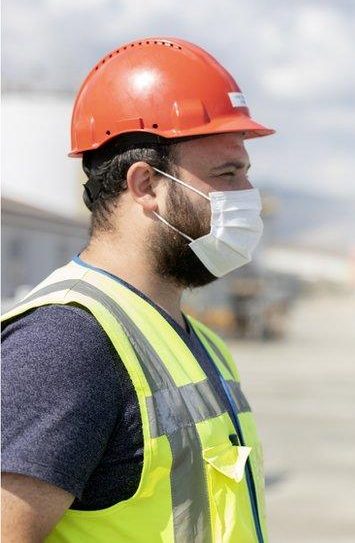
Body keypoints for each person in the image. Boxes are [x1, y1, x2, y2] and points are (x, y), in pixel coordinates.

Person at [1, 37, 274, 542]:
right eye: (227, 174)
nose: (247, 197)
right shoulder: (66, 345)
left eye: (246, 174)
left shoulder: (197, 342)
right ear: (146, 185)